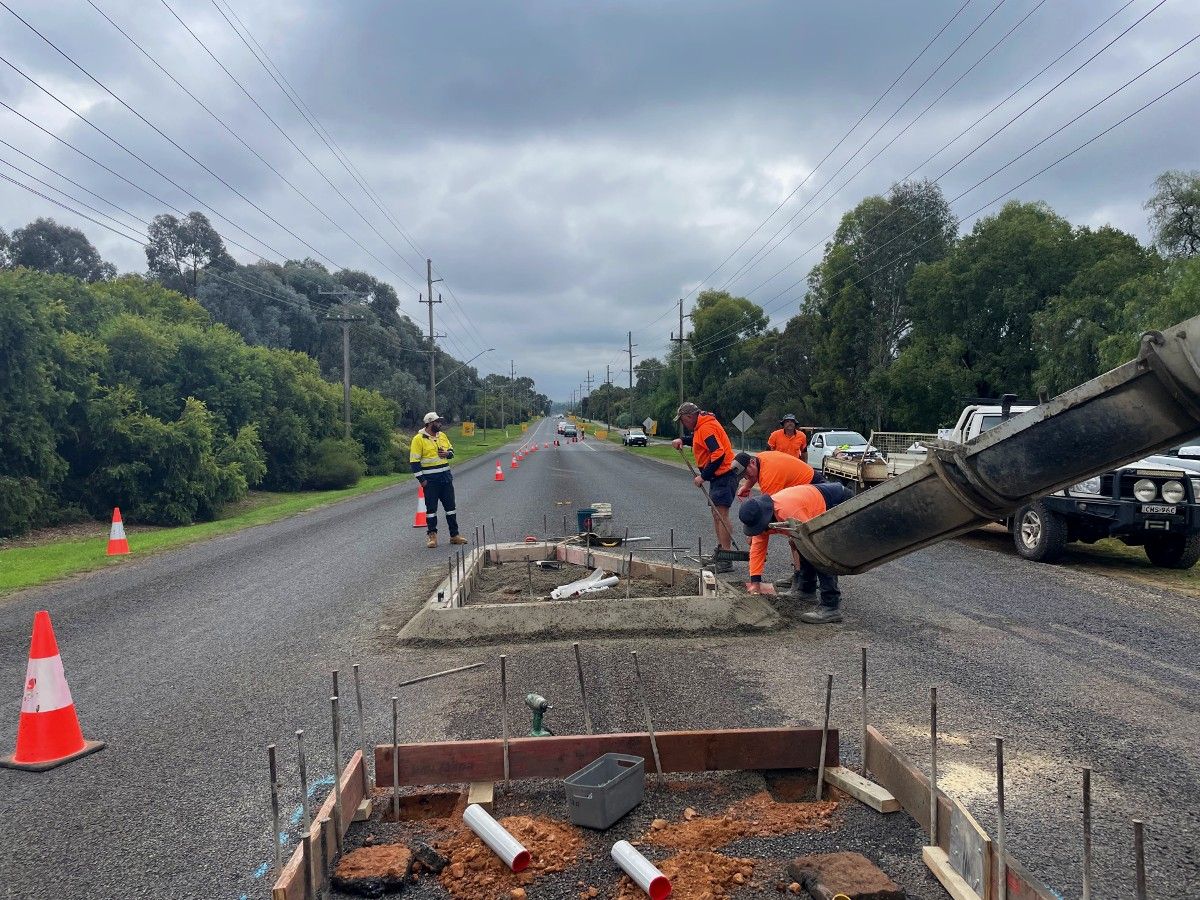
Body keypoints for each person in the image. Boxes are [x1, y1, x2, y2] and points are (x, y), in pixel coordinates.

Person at [738, 482, 849, 624]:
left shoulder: (787, 511)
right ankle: (806, 591)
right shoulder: (764, 516)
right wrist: (755, 582)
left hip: (837, 500)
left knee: (819, 552)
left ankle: (831, 606)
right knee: (801, 545)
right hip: (816, 502)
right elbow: (757, 549)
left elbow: (812, 542)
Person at [671, 401, 738, 572]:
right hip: (719, 477)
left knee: (720, 515)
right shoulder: (701, 427)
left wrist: (704, 476)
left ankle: (726, 558)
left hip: (724, 476)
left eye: (683, 420)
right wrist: (683, 440)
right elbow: (698, 440)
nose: (683, 424)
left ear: (689, 416)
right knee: (716, 514)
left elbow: (718, 453)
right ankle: (722, 551)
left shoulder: (706, 427)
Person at [410, 412, 467, 549]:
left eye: (440, 421)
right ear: (429, 423)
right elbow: (414, 462)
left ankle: (454, 535)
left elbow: (451, 451)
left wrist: (448, 454)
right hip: (430, 481)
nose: (440, 424)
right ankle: (432, 536)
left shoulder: (442, 436)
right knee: (431, 510)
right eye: (437, 422)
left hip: (445, 478)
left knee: (451, 508)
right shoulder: (419, 439)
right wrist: (422, 480)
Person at [734, 449, 820, 499]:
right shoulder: (760, 457)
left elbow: (769, 505)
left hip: (812, 484)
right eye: (743, 476)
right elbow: (753, 474)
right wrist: (747, 487)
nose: (746, 477)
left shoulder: (769, 477)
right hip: (808, 477)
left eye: (745, 473)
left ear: (752, 462)